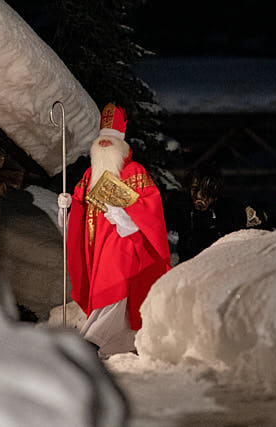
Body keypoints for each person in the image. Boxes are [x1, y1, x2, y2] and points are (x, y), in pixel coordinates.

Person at [57, 103, 171, 358]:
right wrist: (66, 208)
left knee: (115, 288)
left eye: (111, 140)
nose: (105, 144)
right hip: (95, 248)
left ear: (121, 144)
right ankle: (114, 345)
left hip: (126, 244)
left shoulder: (135, 173)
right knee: (105, 294)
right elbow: (79, 212)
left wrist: (123, 215)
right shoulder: (88, 176)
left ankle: (89, 342)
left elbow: (150, 211)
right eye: (102, 140)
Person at [168, 164, 245, 263]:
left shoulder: (227, 208)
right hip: (188, 265)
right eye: (195, 189)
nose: (199, 196)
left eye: (206, 192)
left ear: (216, 193)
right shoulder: (182, 206)